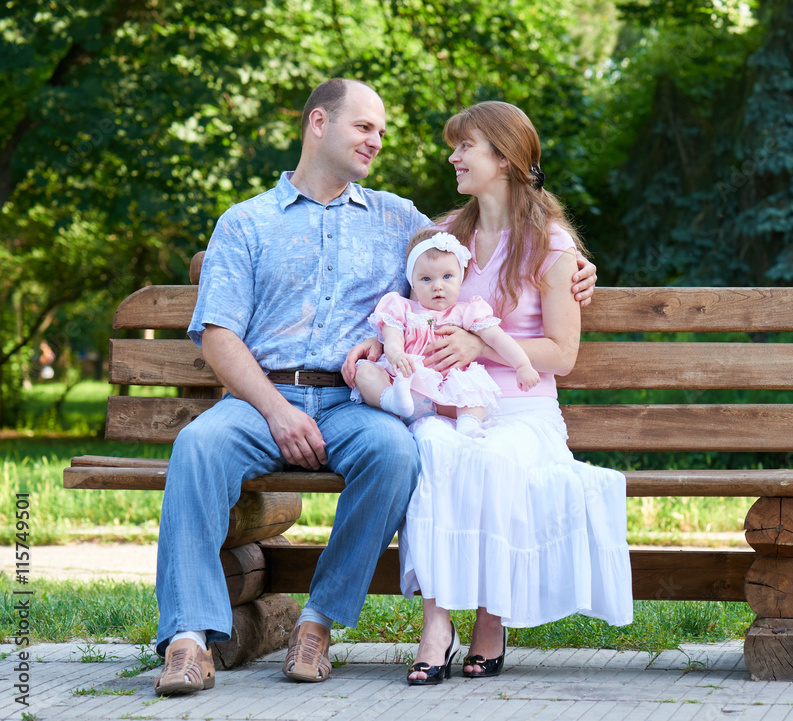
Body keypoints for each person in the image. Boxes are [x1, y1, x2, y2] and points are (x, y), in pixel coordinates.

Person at [153, 79, 597, 697]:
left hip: (350, 400)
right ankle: (187, 640)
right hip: (261, 401)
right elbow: (219, 335)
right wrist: (277, 411)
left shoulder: (399, 221)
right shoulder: (246, 222)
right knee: (197, 447)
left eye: (381, 131)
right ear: (318, 124)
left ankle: (318, 622)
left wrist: (578, 267)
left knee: (396, 453)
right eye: (365, 127)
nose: (377, 140)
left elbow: (476, 247)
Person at [349, 100, 632, 686]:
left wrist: (482, 347)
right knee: (432, 448)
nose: (452, 157)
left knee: (496, 460)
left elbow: (563, 353)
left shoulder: (551, 246)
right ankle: (436, 624)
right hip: (447, 402)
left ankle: (491, 620)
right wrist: (377, 348)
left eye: (464, 147)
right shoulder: (446, 238)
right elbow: (406, 312)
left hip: (523, 410)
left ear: (503, 159)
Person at [351, 228, 539, 437]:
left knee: (473, 387)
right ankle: (393, 401)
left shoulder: (466, 312)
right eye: (426, 279)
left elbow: (498, 338)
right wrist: (396, 354)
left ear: (460, 279)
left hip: (446, 395)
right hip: (404, 383)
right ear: (412, 282)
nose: (437, 286)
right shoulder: (401, 308)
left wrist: (522, 364)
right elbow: (392, 338)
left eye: (447, 276)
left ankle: (468, 425)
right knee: (365, 372)